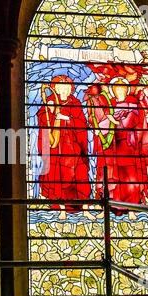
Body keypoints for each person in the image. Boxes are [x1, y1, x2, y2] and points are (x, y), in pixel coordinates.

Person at [37, 75, 92, 220]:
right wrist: (49, 112)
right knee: (58, 177)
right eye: (60, 88)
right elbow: (42, 119)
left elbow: (82, 124)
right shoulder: (50, 103)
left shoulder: (76, 103)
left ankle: (85, 208)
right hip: (57, 148)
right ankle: (62, 209)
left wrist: (66, 118)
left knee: (81, 176)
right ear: (55, 89)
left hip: (74, 147)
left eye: (67, 88)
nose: (64, 90)